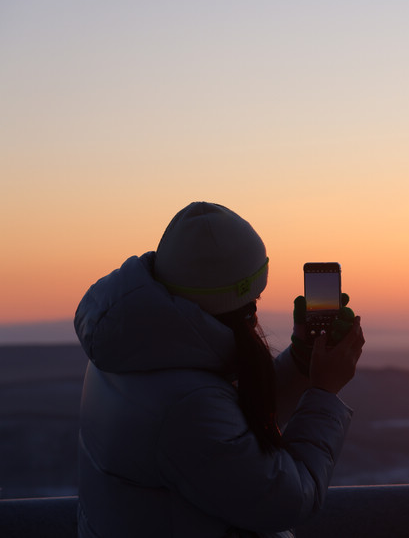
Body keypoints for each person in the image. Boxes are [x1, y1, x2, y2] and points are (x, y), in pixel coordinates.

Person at [74, 201, 364, 538]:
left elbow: (230, 427)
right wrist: (324, 394)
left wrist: (300, 363)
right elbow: (285, 500)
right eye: (253, 300)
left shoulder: (135, 348)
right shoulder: (186, 405)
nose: (256, 313)